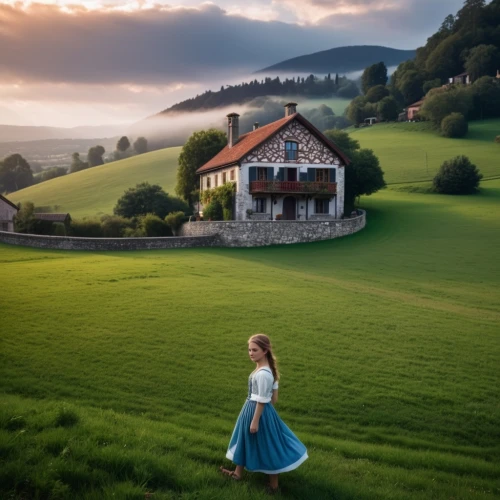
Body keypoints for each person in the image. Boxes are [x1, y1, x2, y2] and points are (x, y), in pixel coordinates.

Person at [220, 334, 308, 493]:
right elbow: (273, 399)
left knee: (268, 445)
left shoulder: (263, 374)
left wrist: (255, 420)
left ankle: (274, 486)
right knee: (246, 440)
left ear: (265, 350)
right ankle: (238, 473)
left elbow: (262, 400)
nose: (251, 353)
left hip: (256, 412)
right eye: (249, 350)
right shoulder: (267, 370)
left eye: (255, 350)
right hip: (258, 411)